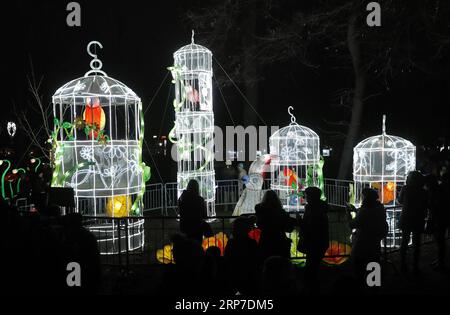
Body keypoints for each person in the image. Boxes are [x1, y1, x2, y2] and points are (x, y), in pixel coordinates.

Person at [349, 188, 388, 287]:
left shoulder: (365, 210)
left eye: (363, 196)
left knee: (359, 266)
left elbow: (354, 224)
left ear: (366, 197)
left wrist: (349, 216)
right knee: (374, 263)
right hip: (375, 241)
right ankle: (374, 285)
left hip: (363, 242)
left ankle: (360, 286)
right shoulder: (380, 208)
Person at [297, 187, 329, 293]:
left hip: (313, 241)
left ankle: (312, 288)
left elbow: (309, 224)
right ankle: (314, 287)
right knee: (313, 266)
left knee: (311, 268)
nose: (305, 197)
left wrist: (299, 222)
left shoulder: (311, 208)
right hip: (321, 240)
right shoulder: (322, 208)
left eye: (306, 195)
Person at [255, 190, 296, 262]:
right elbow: (289, 228)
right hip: (279, 239)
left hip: (266, 239)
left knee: (265, 260)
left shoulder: (259, 208)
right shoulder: (281, 211)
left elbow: (259, 224)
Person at [398, 171, 427, 272]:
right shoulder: (423, 191)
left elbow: (400, 200)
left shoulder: (406, 189)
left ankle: (402, 264)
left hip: (406, 218)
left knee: (404, 242)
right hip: (418, 219)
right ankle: (415, 265)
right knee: (416, 243)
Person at [224, 216, 259, 295]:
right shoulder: (252, 243)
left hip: (234, 274)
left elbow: (227, 257)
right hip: (249, 275)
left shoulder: (231, 243)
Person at [432, 171, 450, 271]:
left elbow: (436, 203)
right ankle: (439, 260)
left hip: (440, 217)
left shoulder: (441, 189)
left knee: (440, 240)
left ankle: (441, 262)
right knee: (440, 240)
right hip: (443, 217)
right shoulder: (444, 188)